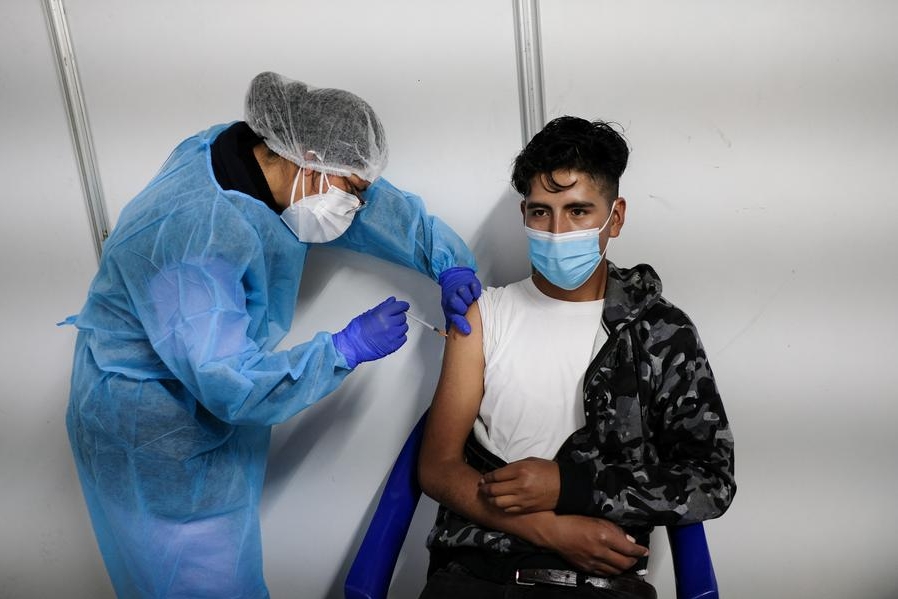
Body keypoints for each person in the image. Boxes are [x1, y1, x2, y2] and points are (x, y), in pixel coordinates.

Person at [64, 71, 482, 599]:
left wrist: (447, 262)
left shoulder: (259, 158)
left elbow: (376, 204)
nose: (354, 207)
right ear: (303, 157)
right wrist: (343, 349)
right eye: (350, 190)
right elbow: (232, 385)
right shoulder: (193, 241)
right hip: (152, 432)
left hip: (203, 393)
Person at [417, 116, 736, 598]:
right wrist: (551, 528)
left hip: (599, 582)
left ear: (617, 217)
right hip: (477, 573)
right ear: (524, 214)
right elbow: (438, 467)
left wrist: (572, 487)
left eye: (579, 211)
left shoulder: (660, 333)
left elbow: (709, 480)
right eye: (541, 212)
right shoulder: (484, 316)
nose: (557, 231)